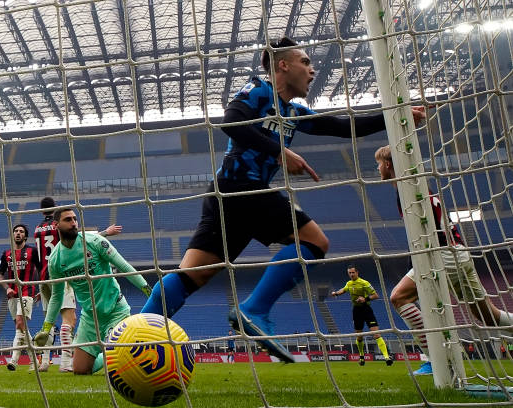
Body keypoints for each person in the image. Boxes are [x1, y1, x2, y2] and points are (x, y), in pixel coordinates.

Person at [141, 36, 427, 363]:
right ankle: (254, 309)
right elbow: (231, 122)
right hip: (240, 187)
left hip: (228, 195)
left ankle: (131, 336)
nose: (312, 70)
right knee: (315, 242)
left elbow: (343, 125)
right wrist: (279, 151)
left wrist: (396, 116)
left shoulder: (293, 112)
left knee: (193, 275)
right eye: (305, 62)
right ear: (283, 65)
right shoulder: (258, 91)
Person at [375, 144, 513, 375]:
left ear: (388, 164)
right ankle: (443, 356)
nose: (377, 168)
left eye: (379, 164)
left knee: (399, 297)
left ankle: (438, 359)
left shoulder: (406, 188)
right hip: (457, 251)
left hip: (442, 254)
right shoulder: (416, 184)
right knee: (488, 315)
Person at [33, 208, 152, 375]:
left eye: (75, 219)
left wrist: (149, 291)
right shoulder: (55, 259)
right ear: (56, 225)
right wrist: (46, 329)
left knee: (117, 362)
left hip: (115, 311)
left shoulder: (94, 241)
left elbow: (125, 267)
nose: (73, 223)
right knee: (80, 370)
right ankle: (111, 352)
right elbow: (57, 297)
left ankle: (115, 351)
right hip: (90, 318)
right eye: (68, 220)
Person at [0, 223, 41, 372]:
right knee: (22, 328)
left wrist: (42, 289)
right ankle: (35, 361)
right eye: (16, 231)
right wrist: (7, 288)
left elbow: (42, 270)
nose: (18, 233)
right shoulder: (6, 253)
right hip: (12, 294)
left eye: (21, 231)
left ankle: (13, 361)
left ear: (25, 236)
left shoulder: (32, 251)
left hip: (27, 291)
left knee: (20, 323)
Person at [331, 265, 393, 366]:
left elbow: (376, 295)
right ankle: (362, 357)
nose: (351, 274)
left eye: (353, 272)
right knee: (359, 337)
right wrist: (336, 293)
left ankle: (386, 357)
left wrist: (365, 299)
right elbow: (344, 289)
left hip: (366, 309)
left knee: (376, 334)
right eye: (350, 273)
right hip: (356, 311)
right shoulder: (349, 283)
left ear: (357, 272)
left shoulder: (364, 283)